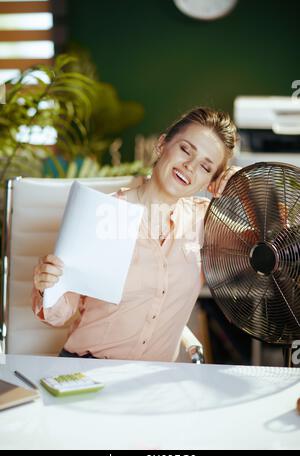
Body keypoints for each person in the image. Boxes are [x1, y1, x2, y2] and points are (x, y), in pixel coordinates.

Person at [32, 106, 240, 361]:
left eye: (205, 167)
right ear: (162, 144)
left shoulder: (207, 222)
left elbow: (275, 247)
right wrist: (47, 285)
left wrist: (243, 186)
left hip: (152, 383)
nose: (189, 166)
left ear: (211, 181)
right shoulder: (102, 213)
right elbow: (58, 313)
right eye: (186, 149)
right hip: (88, 371)